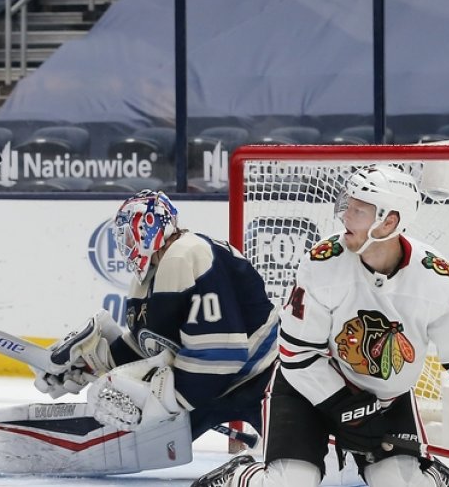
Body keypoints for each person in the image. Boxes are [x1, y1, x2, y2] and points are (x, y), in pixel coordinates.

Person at [193, 166, 449, 487]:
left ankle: (428, 476)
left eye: (358, 210)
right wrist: (344, 407)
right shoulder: (323, 264)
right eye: (348, 205)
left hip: (384, 398)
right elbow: (296, 353)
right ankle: (241, 474)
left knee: (397, 483)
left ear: (388, 222)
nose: (345, 216)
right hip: (305, 395)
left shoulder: (435, 279)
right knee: (292, 482)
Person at [19, 189, 280, 472]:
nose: (125, 245)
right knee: (120, 444)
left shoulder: (188, 253)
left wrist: (157, 402)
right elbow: (149, 345)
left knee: (308, 470)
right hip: (214, 389)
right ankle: (28, 452)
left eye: (129, 236)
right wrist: (91, 365)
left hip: (269, 382)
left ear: (150, 226)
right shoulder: (152, 275)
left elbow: (221, 355)